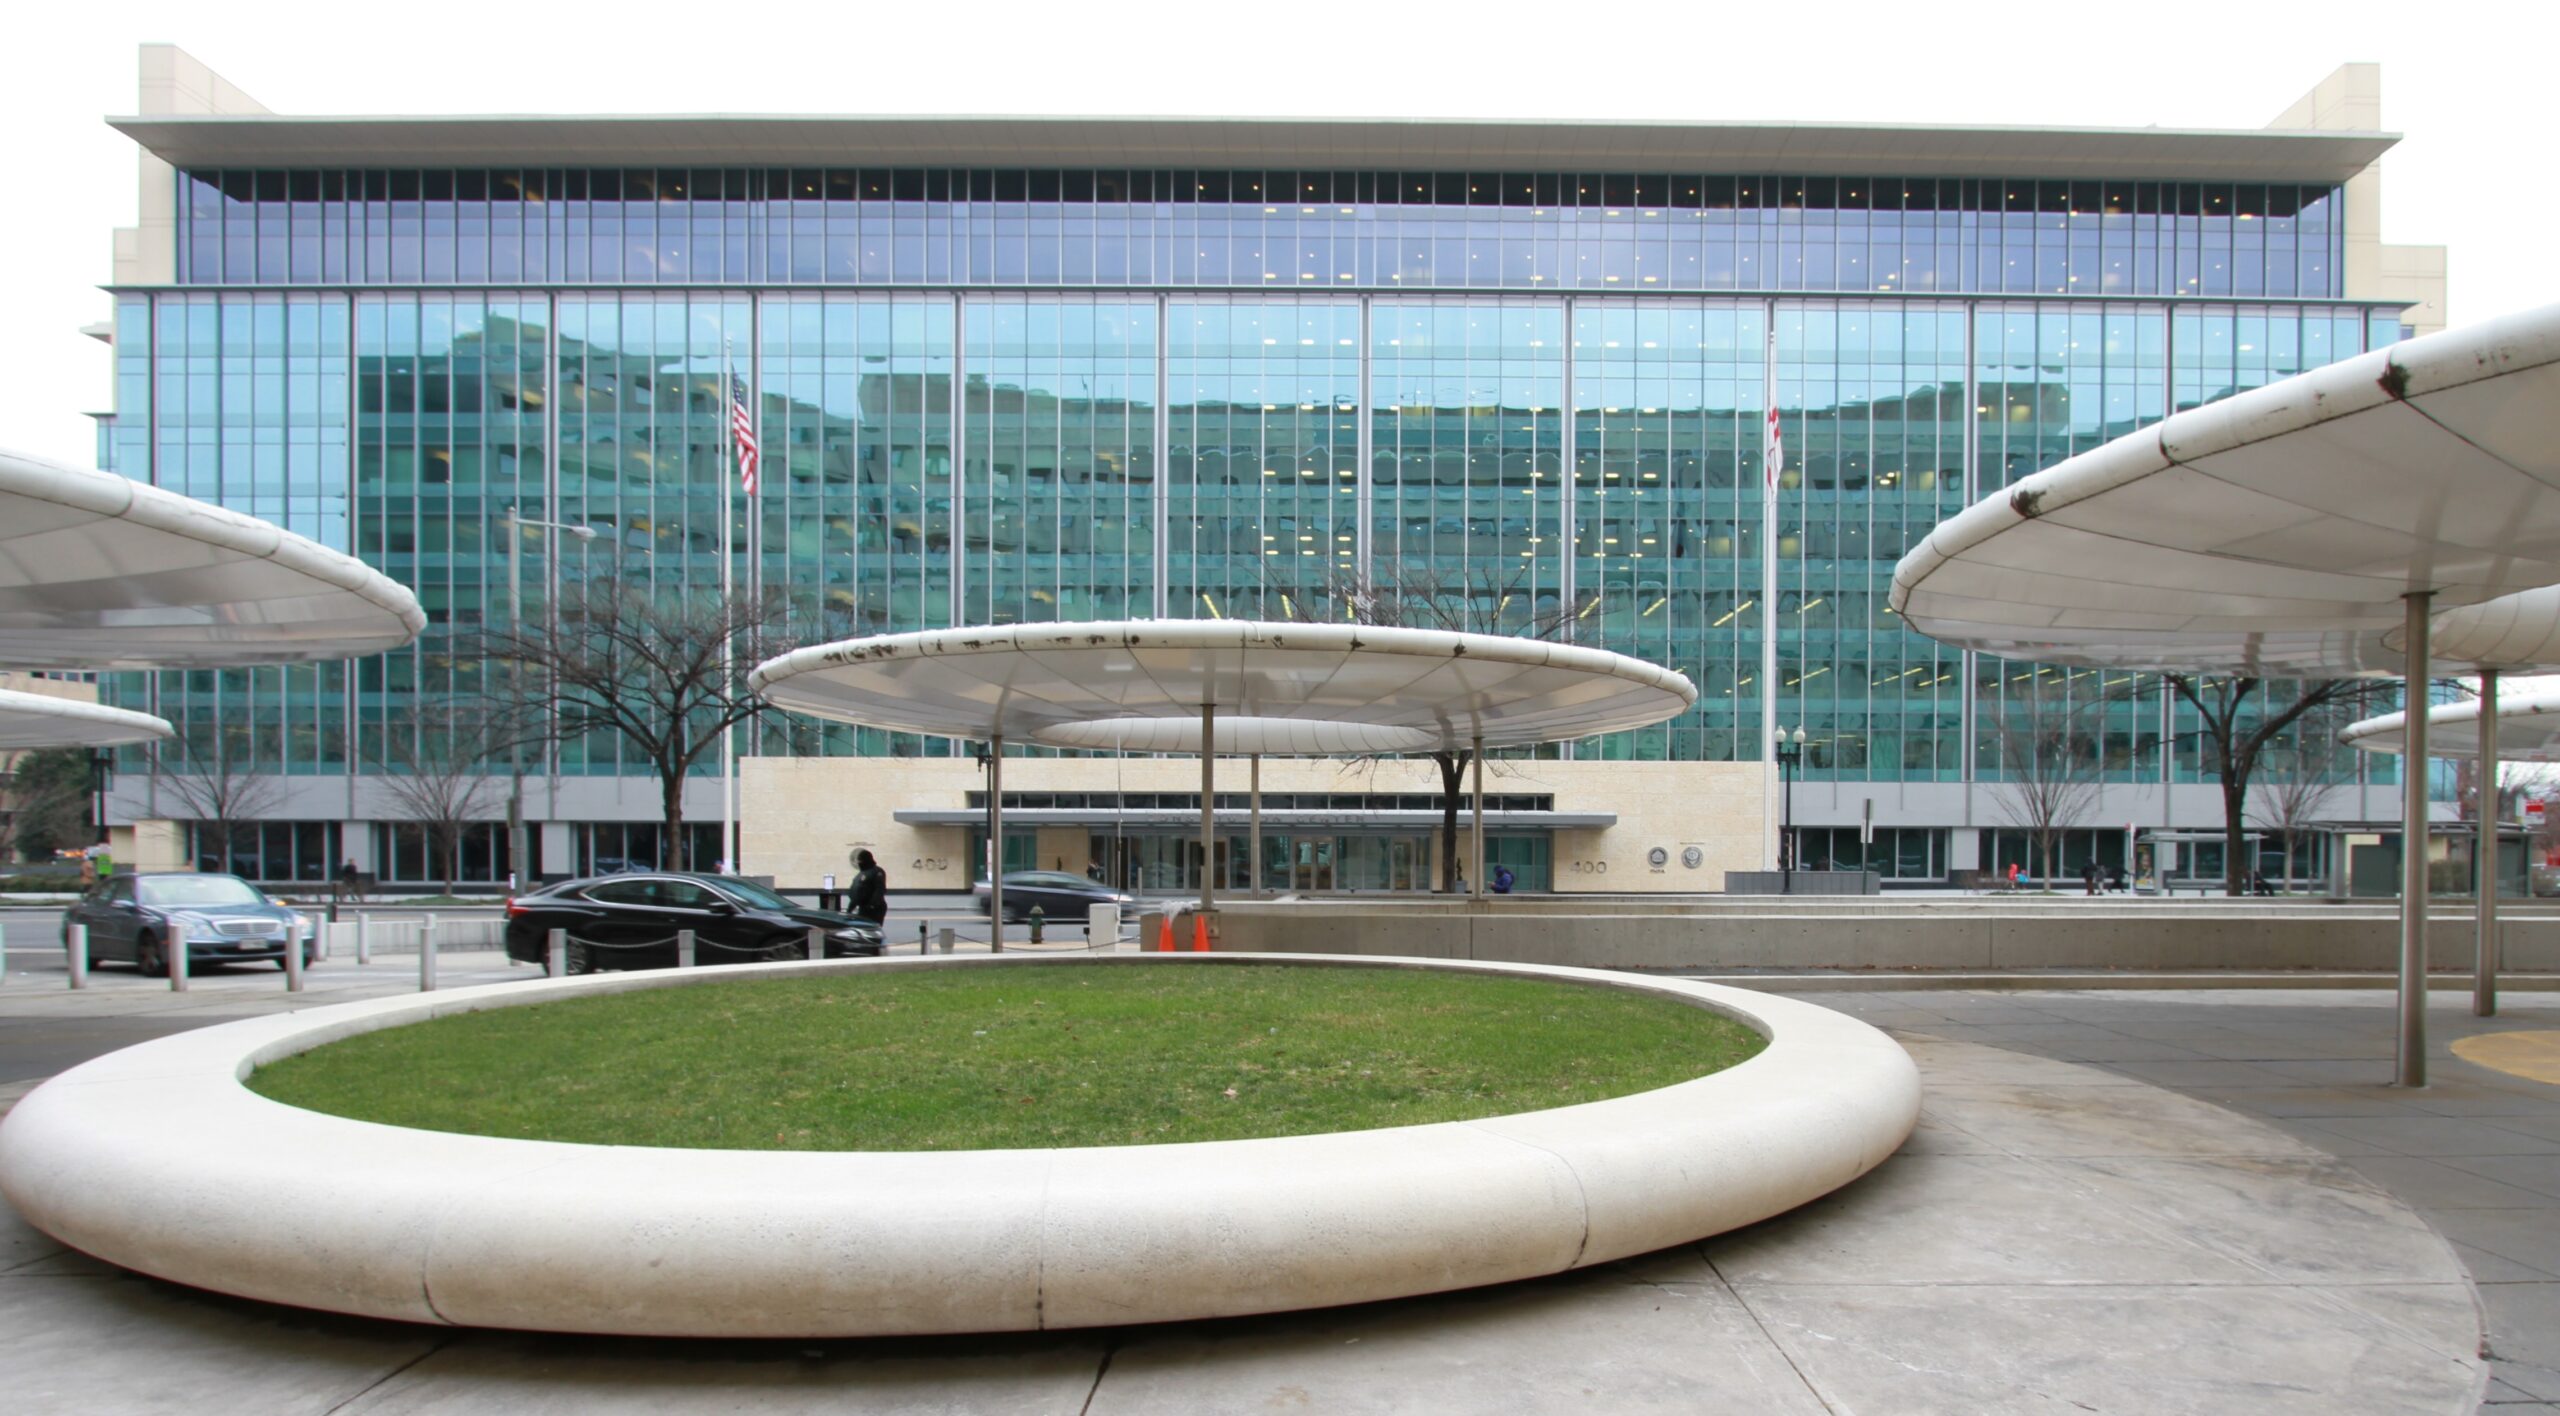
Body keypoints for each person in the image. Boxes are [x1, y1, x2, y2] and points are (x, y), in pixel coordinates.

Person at [849, 849, 889, 926]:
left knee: (872, 930)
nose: (859, 863)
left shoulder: (877, 872)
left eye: (861, 860)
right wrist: (850, 909)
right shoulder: (861, 874)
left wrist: (871, 905)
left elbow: (879, 890)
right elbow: (856, 892)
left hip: (875, 909)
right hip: (863, 908)